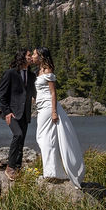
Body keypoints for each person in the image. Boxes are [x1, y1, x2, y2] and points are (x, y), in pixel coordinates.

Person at [31, 47, 85, 187]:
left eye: (35, 54)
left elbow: (53, 93)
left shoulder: (48, 71)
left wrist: (54, 111)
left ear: (41, 56)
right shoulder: (38, 72)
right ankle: (53, 171)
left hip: (49, 107)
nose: (32, 55)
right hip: (41, 107)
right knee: (45, 138)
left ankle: (51, 172)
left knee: (43, 138)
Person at [0, 48, 36, 180]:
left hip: (25, 113)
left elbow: (33, 94)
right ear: (22, 58)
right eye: (29, 55)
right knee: (17, 135)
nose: (31, 58)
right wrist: (7, 112)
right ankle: (10, 167)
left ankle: (17, 168)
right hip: (12, 113)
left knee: (22, 141)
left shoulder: (32, 76)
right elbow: (1, 95)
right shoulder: (10, 73)